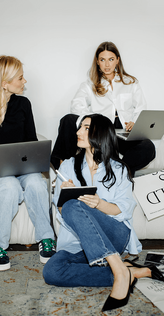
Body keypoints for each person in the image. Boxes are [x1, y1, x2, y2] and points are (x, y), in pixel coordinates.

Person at [44, 114, 162, 311]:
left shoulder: (119, 169)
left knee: (76, 204)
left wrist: (99, 203)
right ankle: (127, 271)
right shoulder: (66, 167)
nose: (78, 132)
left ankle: (118, 269)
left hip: (114, 235)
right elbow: (62, 211)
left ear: (100, 134)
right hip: (77, 241)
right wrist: (65, 196)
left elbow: (123, 209)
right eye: (79, 127)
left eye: (85, 128)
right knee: (52, 271)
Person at [0, 55, 56, 271]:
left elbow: (31, 141)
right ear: (5, 83)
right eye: (20, 77)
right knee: (9, 187)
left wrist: (37, 160)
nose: (24, 81)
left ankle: (46, 240)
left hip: (22, 165)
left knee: (36, 184)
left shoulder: (24, 104)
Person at [51, 41, 155, 175]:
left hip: (124, 134)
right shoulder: (90, 84)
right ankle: (62, 170)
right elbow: (76, 105)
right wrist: (95, 122)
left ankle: (119, 173)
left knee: (148, 146)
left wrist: (135, 122)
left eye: (111, 59)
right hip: (103, 134)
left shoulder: (130, 83)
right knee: (68, 120)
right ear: (97, 61)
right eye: (103, 60)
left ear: (117, 60)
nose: (107, 64)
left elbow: (141, 108)